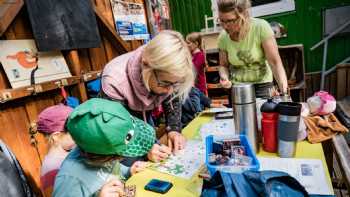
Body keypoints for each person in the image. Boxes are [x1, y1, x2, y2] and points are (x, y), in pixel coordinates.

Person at [101, 30, 195, 160]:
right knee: (131, 161)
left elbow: (172, 97)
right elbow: (118, 131)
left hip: (144, 113)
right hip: (118, 123)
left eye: (175, 84)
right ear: (146, 66)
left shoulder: (165, 70)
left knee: (154, 150)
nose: (169, 90)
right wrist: (145, 149)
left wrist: (174, 129)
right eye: (165, 83)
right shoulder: (114, 81)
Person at [53, 98, 155, 197]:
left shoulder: (99, 148)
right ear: (105, 155)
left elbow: (112, 170)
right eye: (121, 152)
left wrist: (129, 171)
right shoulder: (70, 180)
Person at [217, 0, 288, 98]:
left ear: (244, 15)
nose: (225, 26)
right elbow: (223, 65)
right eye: (221, 21)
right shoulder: (223, 37)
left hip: (262, 87)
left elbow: (275, 63)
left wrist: (285, 94)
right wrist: (224, 77)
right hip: (238, 89)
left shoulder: (261, 27)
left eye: (229, 21)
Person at [37, 104, 74, 196]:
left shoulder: (68, 154)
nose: (80, 135)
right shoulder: (53, 169)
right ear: (56, 136)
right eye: (74, 132)